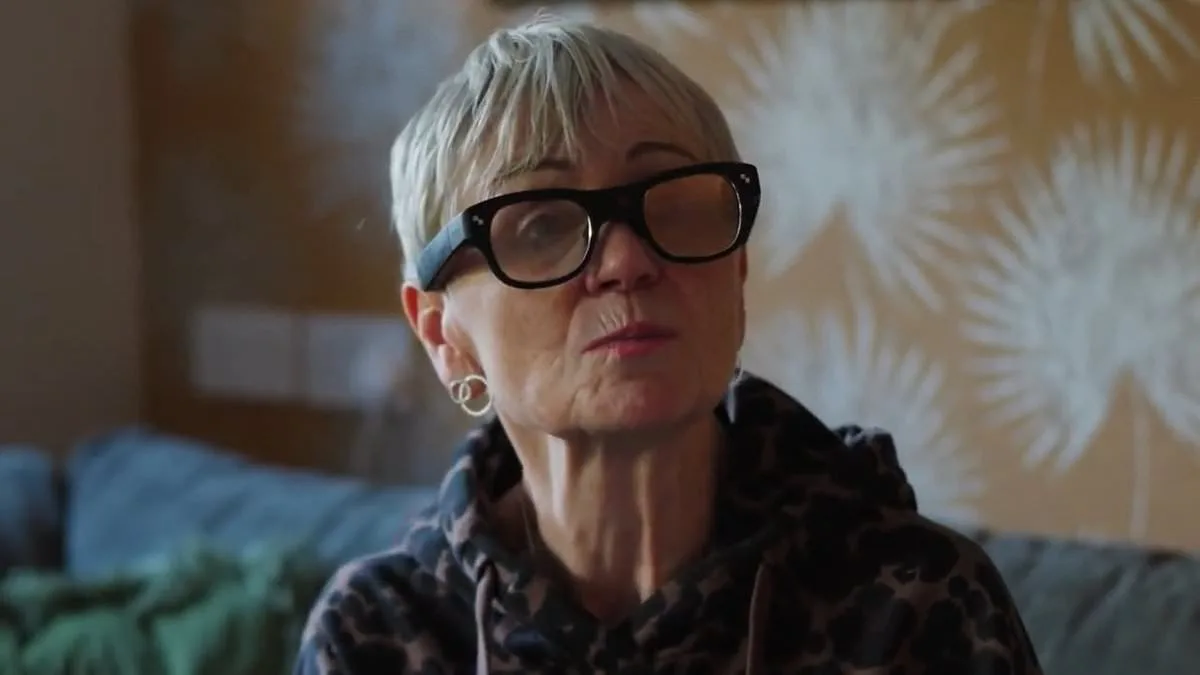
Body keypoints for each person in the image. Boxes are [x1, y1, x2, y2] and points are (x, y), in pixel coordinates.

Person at [294, 14, 1043, 675]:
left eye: (674, 206)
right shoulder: (383, 636)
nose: (627, 261)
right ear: (443, 333)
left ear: (736, 271)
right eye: (543, 224)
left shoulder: (913, 603)